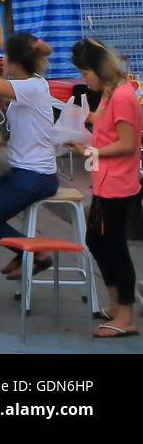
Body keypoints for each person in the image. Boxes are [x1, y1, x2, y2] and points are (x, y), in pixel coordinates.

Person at [0, 34, 59, 283]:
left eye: (5, 58)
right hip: (22, 172)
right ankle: (25, 253)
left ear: (15, 60)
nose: (3, 63)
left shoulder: (33, 86)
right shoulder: (27, 86)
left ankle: (36, 252)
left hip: (36, 176)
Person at [69, 39, 141, 338]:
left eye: (86, 74)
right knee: (97, 242)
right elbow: (101, 124)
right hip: (105, 180)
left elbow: (127, 143)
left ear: (99, 69)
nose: (84, 80)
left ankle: (126, 316)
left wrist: (91, 153)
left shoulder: (123, 95)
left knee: (114, 247)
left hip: (118, 183)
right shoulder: (111, 92)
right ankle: (116, 305)